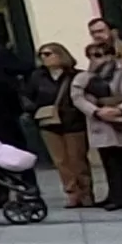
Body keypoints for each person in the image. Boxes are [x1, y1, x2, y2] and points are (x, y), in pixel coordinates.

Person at [75, 41, 122, 210]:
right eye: (91, 56)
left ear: (110, 55)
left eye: (98, 55)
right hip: (102, 124)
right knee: (111, 164)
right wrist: (95, 111)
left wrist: (120, 109)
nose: (94, 60)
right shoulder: (85, 77)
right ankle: (118, 197)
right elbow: (77, 97)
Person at [31, 44, 92, 209]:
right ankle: (72, 193)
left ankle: (86, 193)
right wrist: (35, 110)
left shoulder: (76, 75)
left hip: (73, 122)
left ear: (60, 55)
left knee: (77, 159)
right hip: (48, 122)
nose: (44, 57)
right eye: (41, 55)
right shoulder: (38, 77)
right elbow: (28, 96)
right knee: (60, 161)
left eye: (48, 54)